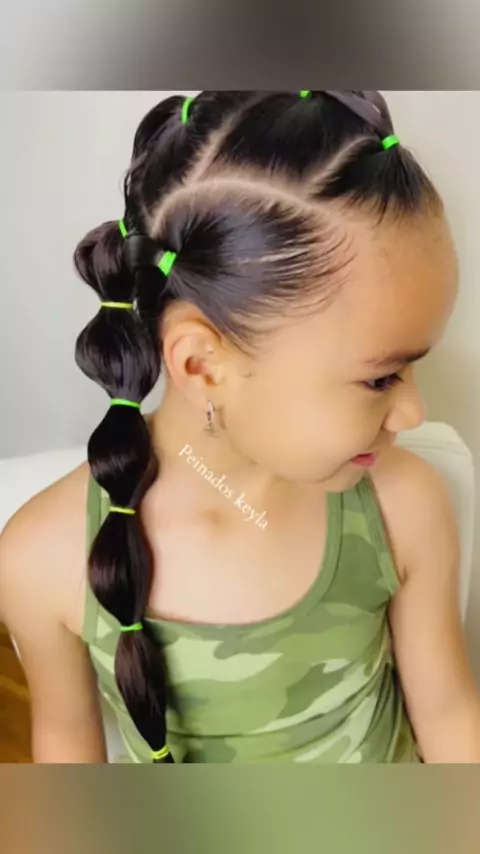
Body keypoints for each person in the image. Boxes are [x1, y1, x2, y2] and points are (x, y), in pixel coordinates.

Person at [1, 90, 479, 764]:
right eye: (380, 378)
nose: (414, 414)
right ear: (203, 365)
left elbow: (449, 712)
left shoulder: (404, 504)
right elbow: (66, 747)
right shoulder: (43, 559)